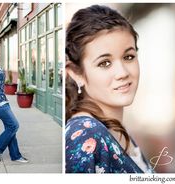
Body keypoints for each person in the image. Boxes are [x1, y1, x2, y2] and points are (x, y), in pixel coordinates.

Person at [65, 5, 154, 173]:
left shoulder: (117, 131)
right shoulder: (85, 134)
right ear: (77, 74)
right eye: (104, 63)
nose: (123, 73)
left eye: (129, 57)